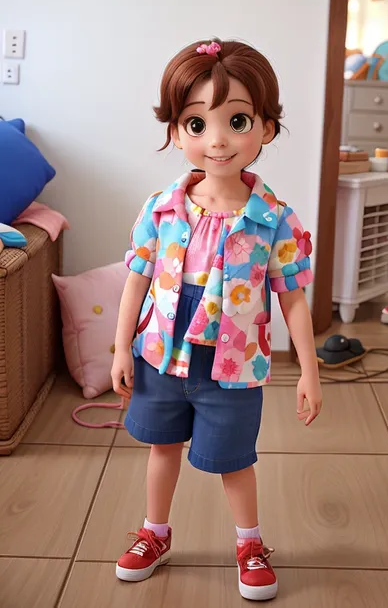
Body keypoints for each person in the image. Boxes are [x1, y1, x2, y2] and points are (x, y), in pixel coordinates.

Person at [111, 39, 322, 601]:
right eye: (196, 123)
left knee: (235, 460)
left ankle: (249, 542)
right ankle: (155, 532)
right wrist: (119, 349)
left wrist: (308, 370)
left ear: (267, 128)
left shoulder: (275, 220)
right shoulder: (160, 209)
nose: (218, 140)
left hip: (233, 365)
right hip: (162, 355)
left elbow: (293, 296)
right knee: (161, 448)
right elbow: (136, 281)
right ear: (177, 132)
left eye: (237, 120)